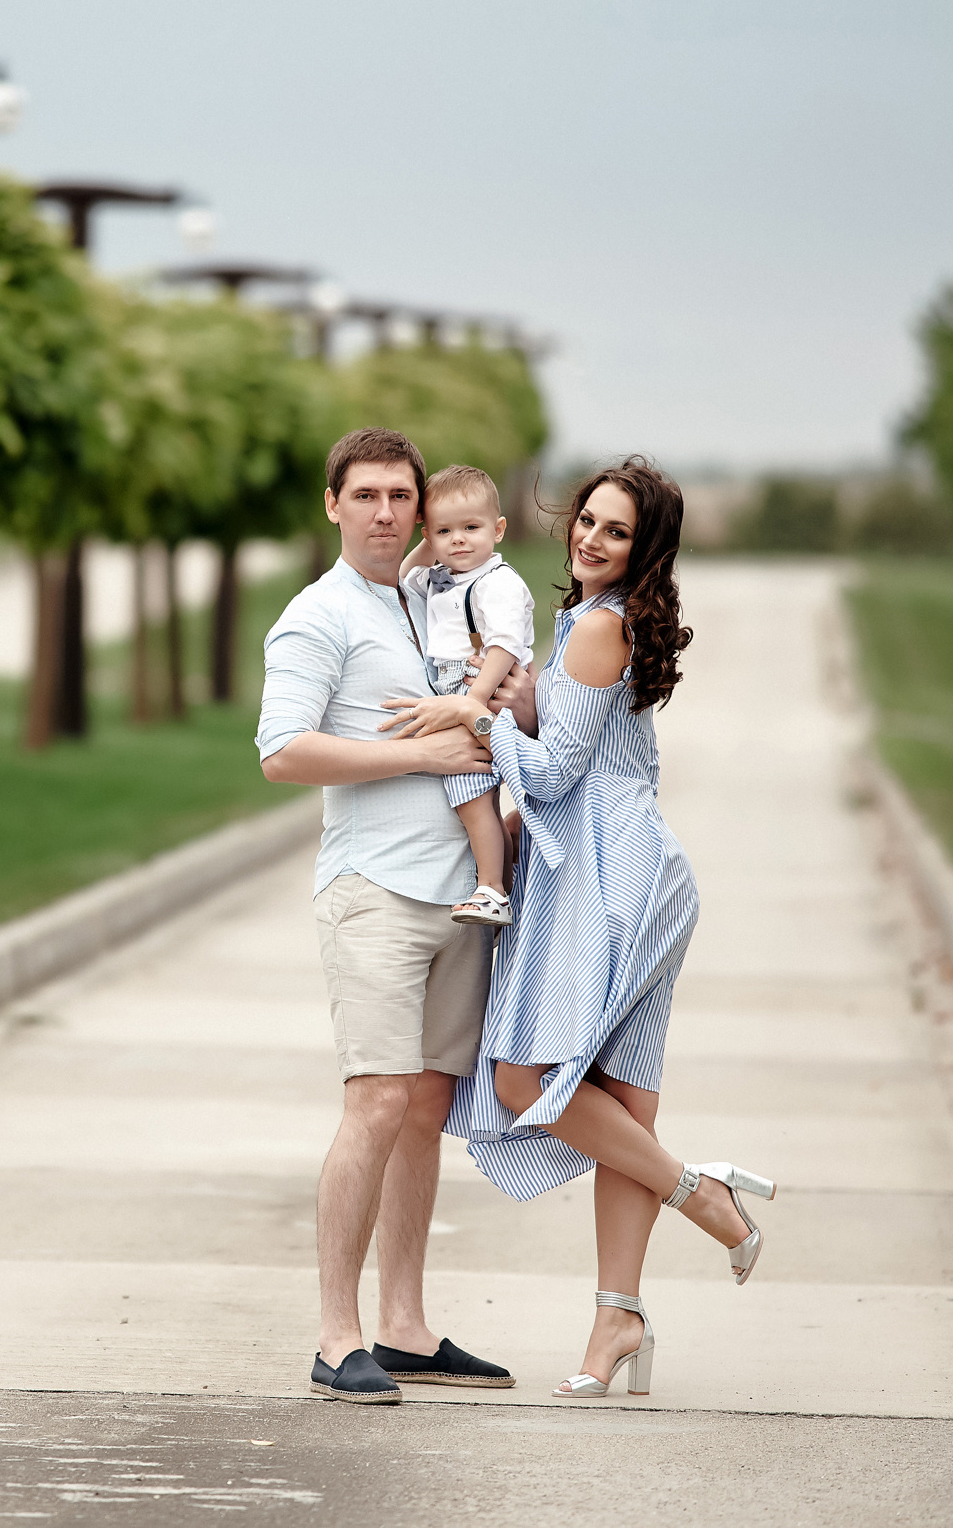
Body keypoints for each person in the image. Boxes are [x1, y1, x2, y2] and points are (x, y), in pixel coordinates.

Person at [382, 458, 775, 1401]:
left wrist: (474, 717)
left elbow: (554, 773)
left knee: (524, 1074)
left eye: (616, 531)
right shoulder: (588, 623)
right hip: (621, 868)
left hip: (607, 877)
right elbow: (566, 744)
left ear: (646, 552)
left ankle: (699, 1195)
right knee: (622, 1106)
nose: (592, 539)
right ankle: (617, 1318)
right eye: (587, 521)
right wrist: (510, 698)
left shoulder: (600, 627)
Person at [255, 426, 520, 1406]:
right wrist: (420, 756)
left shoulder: (430, 603)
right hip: (372, 895)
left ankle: (404, 1327)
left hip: (461, 897)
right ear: (332, 505)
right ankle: (338, 1336)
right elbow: (281, 752)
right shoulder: (317, 617)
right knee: (374, 1101)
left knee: (424, 1113)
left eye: (397, 497)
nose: (382, 512)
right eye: (362, 495)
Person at [400, 464, 535, 929]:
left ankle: (493, 888)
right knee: (472, 797)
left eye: (470, 528)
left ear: (497, 530)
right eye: (444, 531)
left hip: (478, 687)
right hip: (458, 689)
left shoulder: (495, 583)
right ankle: (500, 870)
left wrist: (471, 702)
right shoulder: (444, 575)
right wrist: (429, 540)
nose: (458, 540)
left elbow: (503, 645)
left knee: (473, 798)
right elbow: (404, 574)